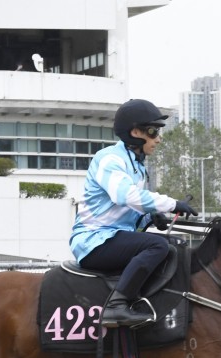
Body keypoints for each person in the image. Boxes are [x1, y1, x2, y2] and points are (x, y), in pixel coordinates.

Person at [70, 98, 197, 327]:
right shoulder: (110, 159)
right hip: (93, 240)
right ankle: (116, 307)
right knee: (157, 246)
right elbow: (125, 196)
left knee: (175, 244)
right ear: (135, 132)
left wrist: (150, 216)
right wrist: (171, 204)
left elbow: (126, 209)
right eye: (153, 132)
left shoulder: (137, 166)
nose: (158, 139)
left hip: (113, 236)